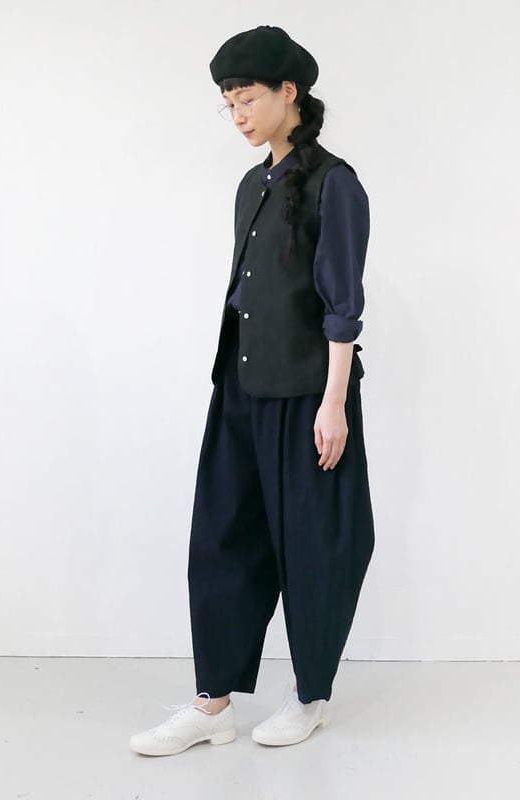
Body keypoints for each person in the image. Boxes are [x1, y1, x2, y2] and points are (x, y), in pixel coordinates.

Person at [129, 24, 375, 757]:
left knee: (313, 547)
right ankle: (212, 704)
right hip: (239, 387)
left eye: (247, 97)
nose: (237, 113)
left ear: (288, 92)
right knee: (222, 540)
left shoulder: (335, 182)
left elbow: (342, 303)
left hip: (307, 396)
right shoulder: (250, 184)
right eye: (228, 102)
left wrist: (334, 404)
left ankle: (310, 696)